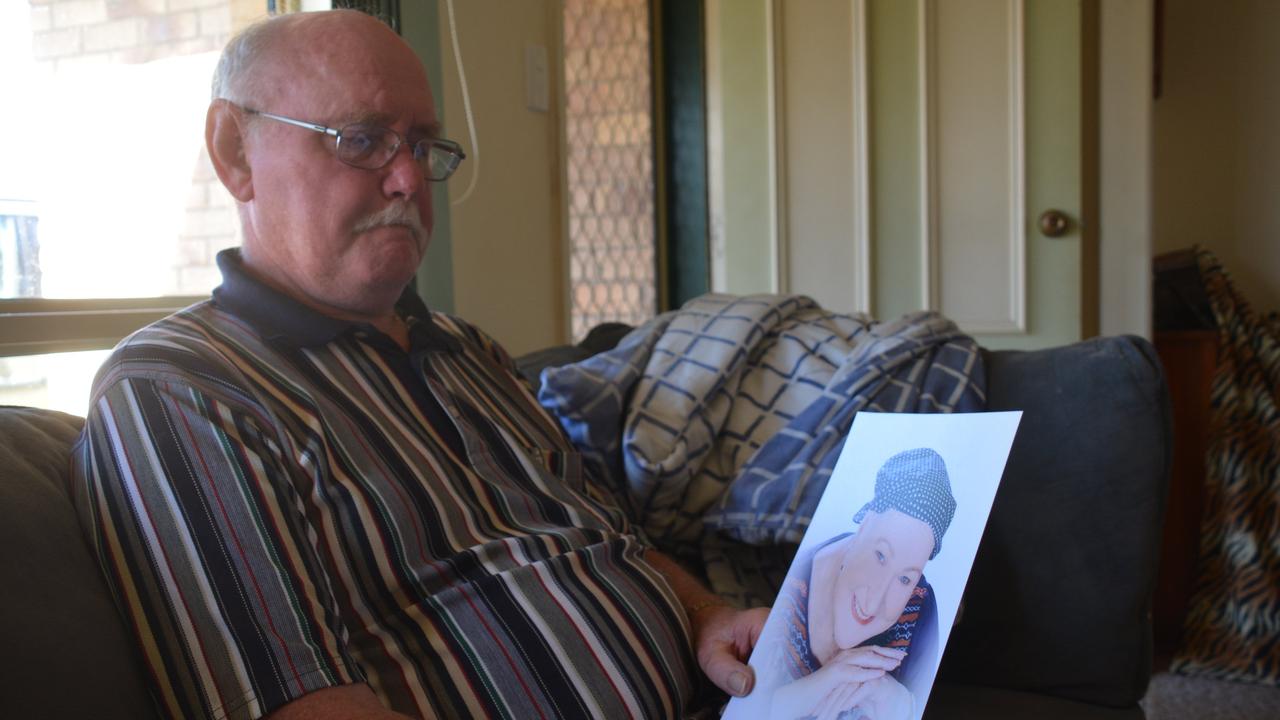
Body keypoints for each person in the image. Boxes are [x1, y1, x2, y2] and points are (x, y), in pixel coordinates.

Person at [71, 10, 766, 719]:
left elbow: (614, 543)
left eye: (422, 144)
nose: (409, 179)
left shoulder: (471, 353)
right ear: (235, 152)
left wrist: (708, 616)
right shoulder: (179, 388)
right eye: (363, 140)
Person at [765, 448, 956, 720]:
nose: (875, 601)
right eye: (880, 555)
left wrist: (891, 697)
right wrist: (819, 684)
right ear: (864, 524)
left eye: (905, 578)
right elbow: (749, 704)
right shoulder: (796, 579)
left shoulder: (920, 606)